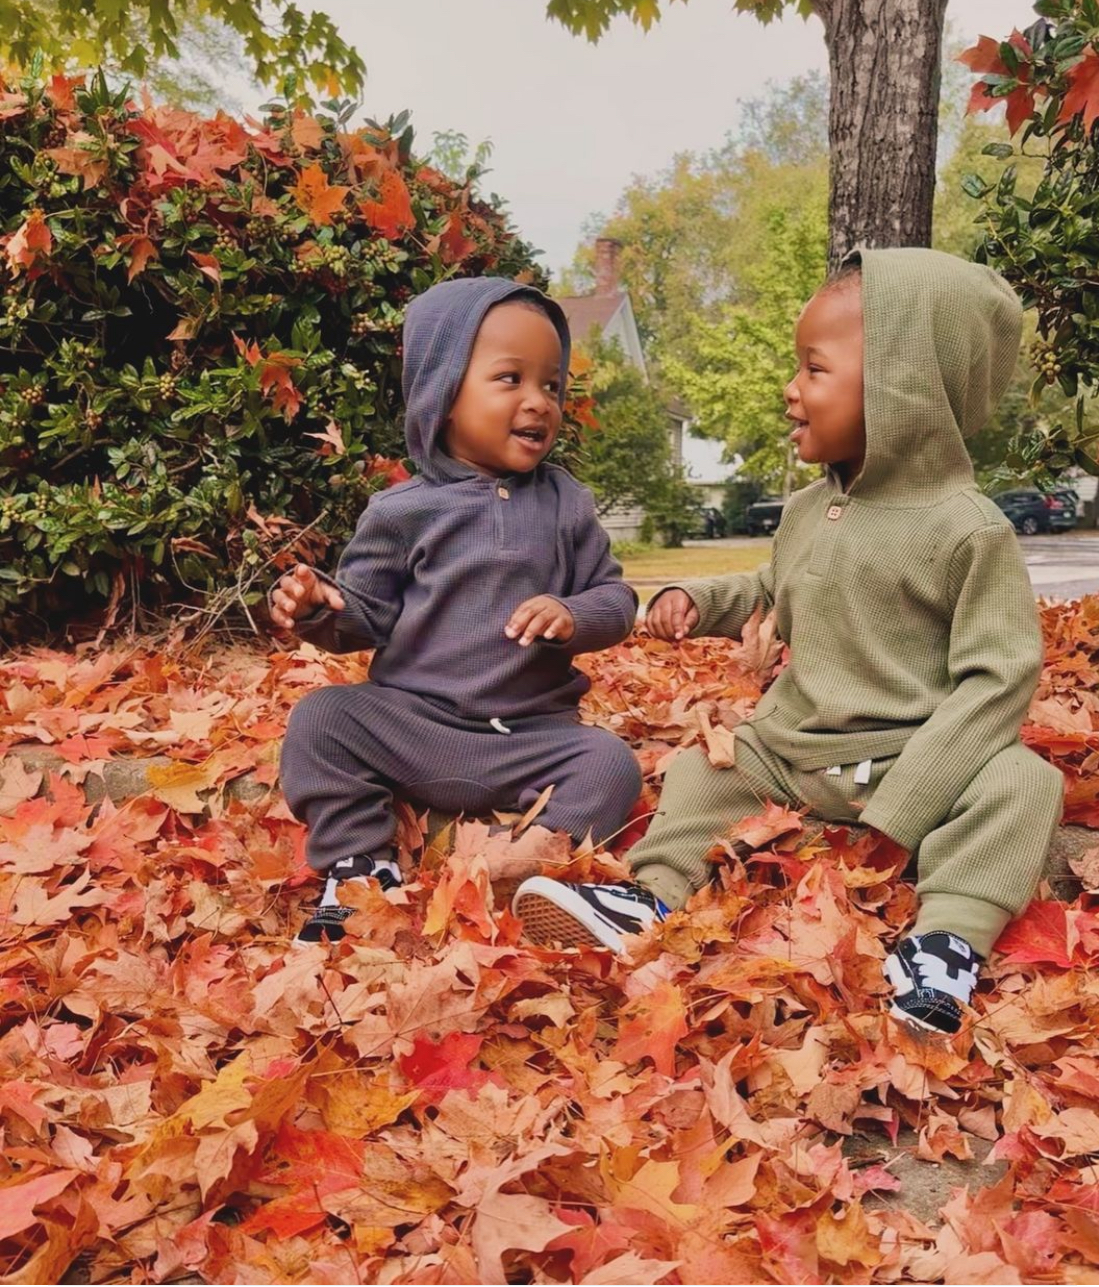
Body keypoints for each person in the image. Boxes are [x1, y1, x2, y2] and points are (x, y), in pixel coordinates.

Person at [512, 248, 1064, 1035]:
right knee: (705, 766)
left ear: (899, 387)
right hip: (797, 756)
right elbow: (773, 590)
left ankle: (944, 945)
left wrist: (910, 800)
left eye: (813, 368)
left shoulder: (966, 529)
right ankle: (650, 896)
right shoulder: (810, 508)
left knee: (1023, 785)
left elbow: (997, 679)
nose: (790, 387)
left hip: (915, 762)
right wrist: (691, 599)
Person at [271, 277, 641, 944]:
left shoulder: (566, 503)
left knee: (611, 763)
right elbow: (364, 615)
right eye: (511, 379)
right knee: (321, 720)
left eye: (551, 385)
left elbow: (615, 599)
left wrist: (572, 612)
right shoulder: (401, 511)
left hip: (529, 738)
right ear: (443, 396)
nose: (539, 402)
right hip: (415, 727)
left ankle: (522, 860)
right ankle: (358, 871)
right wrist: (319, 610)